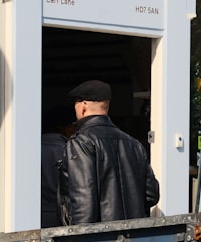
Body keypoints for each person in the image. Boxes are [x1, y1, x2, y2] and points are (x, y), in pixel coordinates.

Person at [59, 79, 159, 224]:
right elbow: (151, 195)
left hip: (101, 240)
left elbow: (83, 203)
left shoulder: (81, 143)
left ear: (83, 106)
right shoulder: (134, 144)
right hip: (135, 237)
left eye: (76, 103)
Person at [41, 105, 76, 228]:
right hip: (59, 218)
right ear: (63, 127)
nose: (75, 128)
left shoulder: (28, 150)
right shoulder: (69, 151)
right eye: (73, 124)